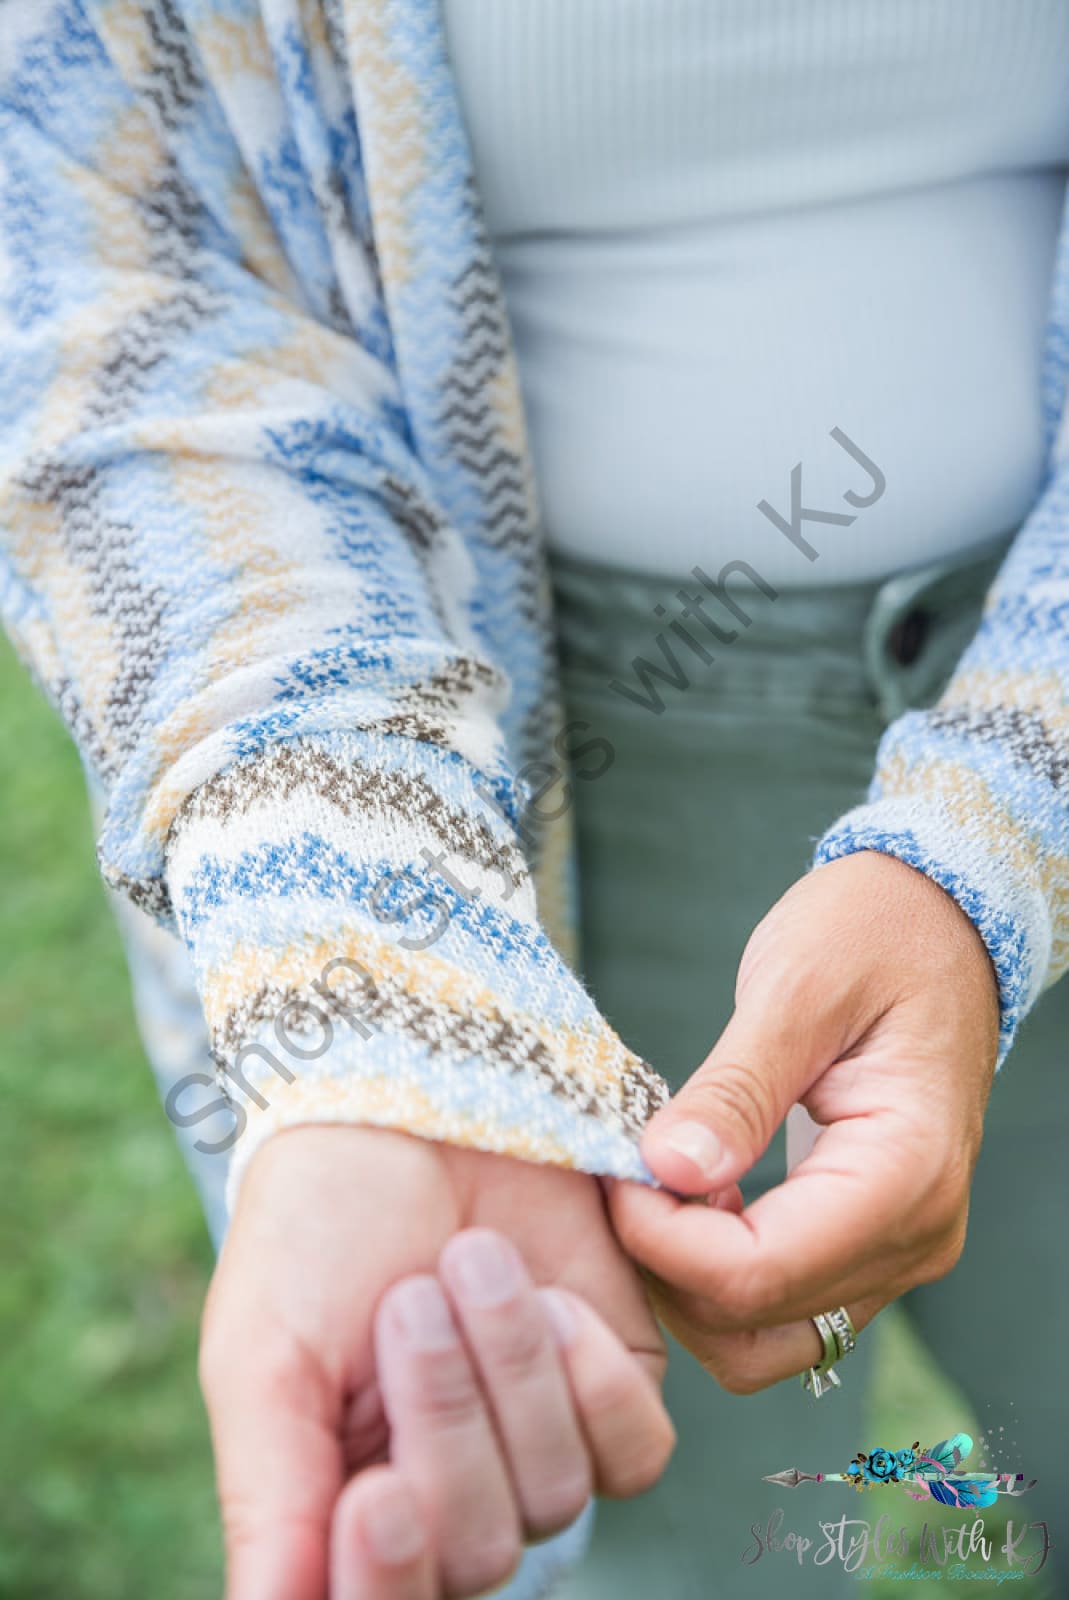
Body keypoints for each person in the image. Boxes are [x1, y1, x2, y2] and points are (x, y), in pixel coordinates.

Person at [2, 2, 1068, 1596]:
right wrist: (387, 993)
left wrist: (1006, 820)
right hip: (505, 810)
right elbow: (102, 282)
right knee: (651, 1542)